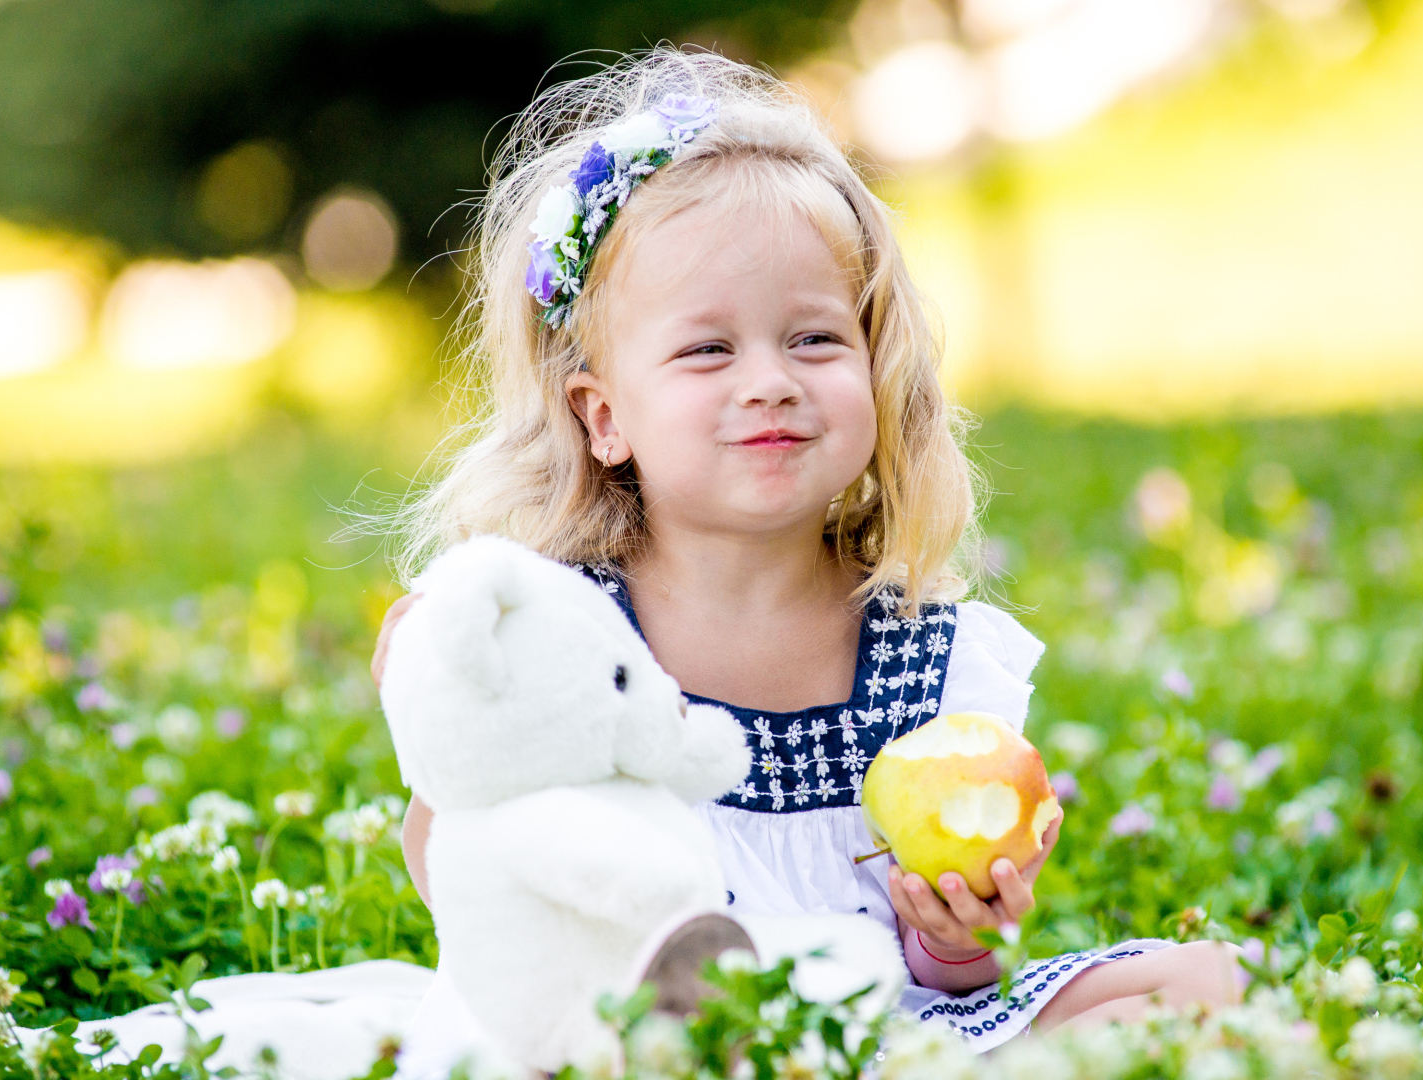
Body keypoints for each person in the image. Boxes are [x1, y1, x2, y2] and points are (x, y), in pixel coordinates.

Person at [369, 49, 1241, 1052]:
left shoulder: (924, 658)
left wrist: (955, 934)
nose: (770, 381)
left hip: (887, 1024)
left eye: (816, 340)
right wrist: (454, 727)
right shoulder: (567, 641)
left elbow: (947, 976)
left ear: (878, 370)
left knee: (1206, 977)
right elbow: (477, 878)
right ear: (603, 416)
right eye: (708, 350)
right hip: (659, 1032)